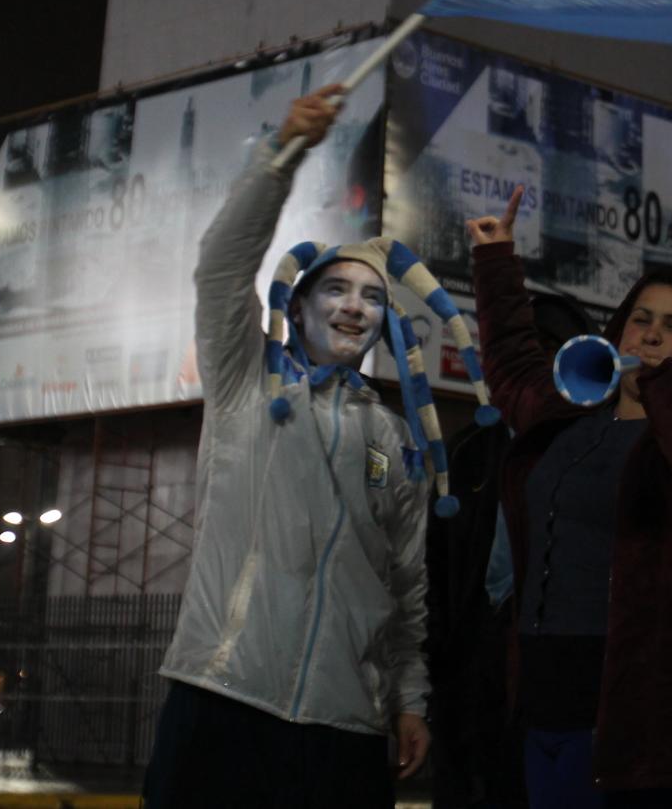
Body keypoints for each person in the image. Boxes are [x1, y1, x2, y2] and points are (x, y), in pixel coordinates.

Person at [146, 84, 485, 808]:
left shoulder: (394, 440)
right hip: (221, 700)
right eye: (334, 288)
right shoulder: (244, 385)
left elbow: (406, 585)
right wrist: (281, 154)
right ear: (298, 306)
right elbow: (220, 267)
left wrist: (410, 698)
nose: (353, 305)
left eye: (370, 296)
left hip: (345, 729)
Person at [466, 185, 672, 808]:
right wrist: (497, 262)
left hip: (645, 717)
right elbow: (512, 366)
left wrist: (667, 395)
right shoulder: (572, 412)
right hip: (543, 699)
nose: (651, 335)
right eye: (641, 318)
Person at [428, 291, 597, 809]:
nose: (535, 364)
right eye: (523, 348)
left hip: (564, 685)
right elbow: (434, 577)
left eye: (550, 348)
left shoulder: (600, 451)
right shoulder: (466, 452)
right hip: (472, 685)